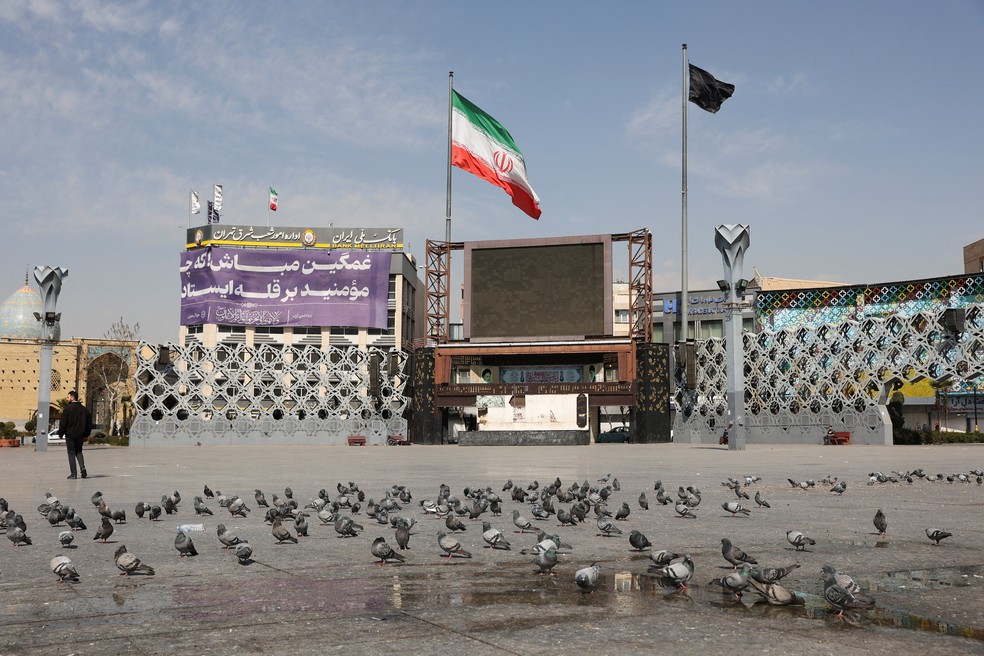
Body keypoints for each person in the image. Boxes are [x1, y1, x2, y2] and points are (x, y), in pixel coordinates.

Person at [58, 390, 91, 479]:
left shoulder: (67, 409)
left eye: (68, 397)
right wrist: (86, 434)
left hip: (70, 435)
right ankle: (82, 467)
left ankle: (74, 474)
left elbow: (63, 423)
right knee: (79, 451)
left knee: (71, 453)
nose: (67, 399)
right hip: (80, 435)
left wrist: (60, 433)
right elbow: (89, 423)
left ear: (72, 398)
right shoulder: (84, 409)